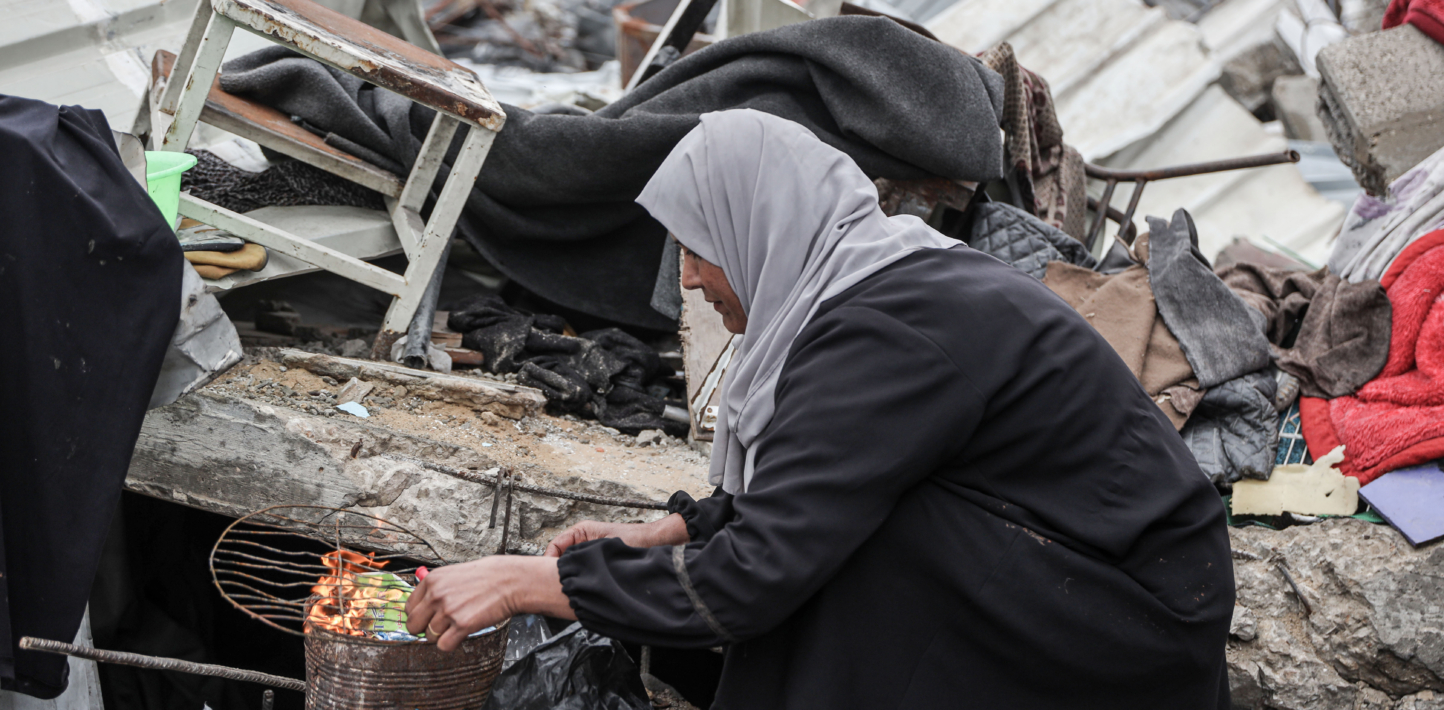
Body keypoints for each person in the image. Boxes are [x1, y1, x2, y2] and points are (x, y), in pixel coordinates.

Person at [405, 109, 1235, 709]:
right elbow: (839, 477)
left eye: (699, 246)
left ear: (759, 228)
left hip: (1129, 623)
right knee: (848, 535)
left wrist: (531, 582)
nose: (690, 279)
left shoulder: (884, 333)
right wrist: (681, 530)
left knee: (848, 561)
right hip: (1091, 577)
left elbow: (755, 577)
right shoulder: (882, 282)